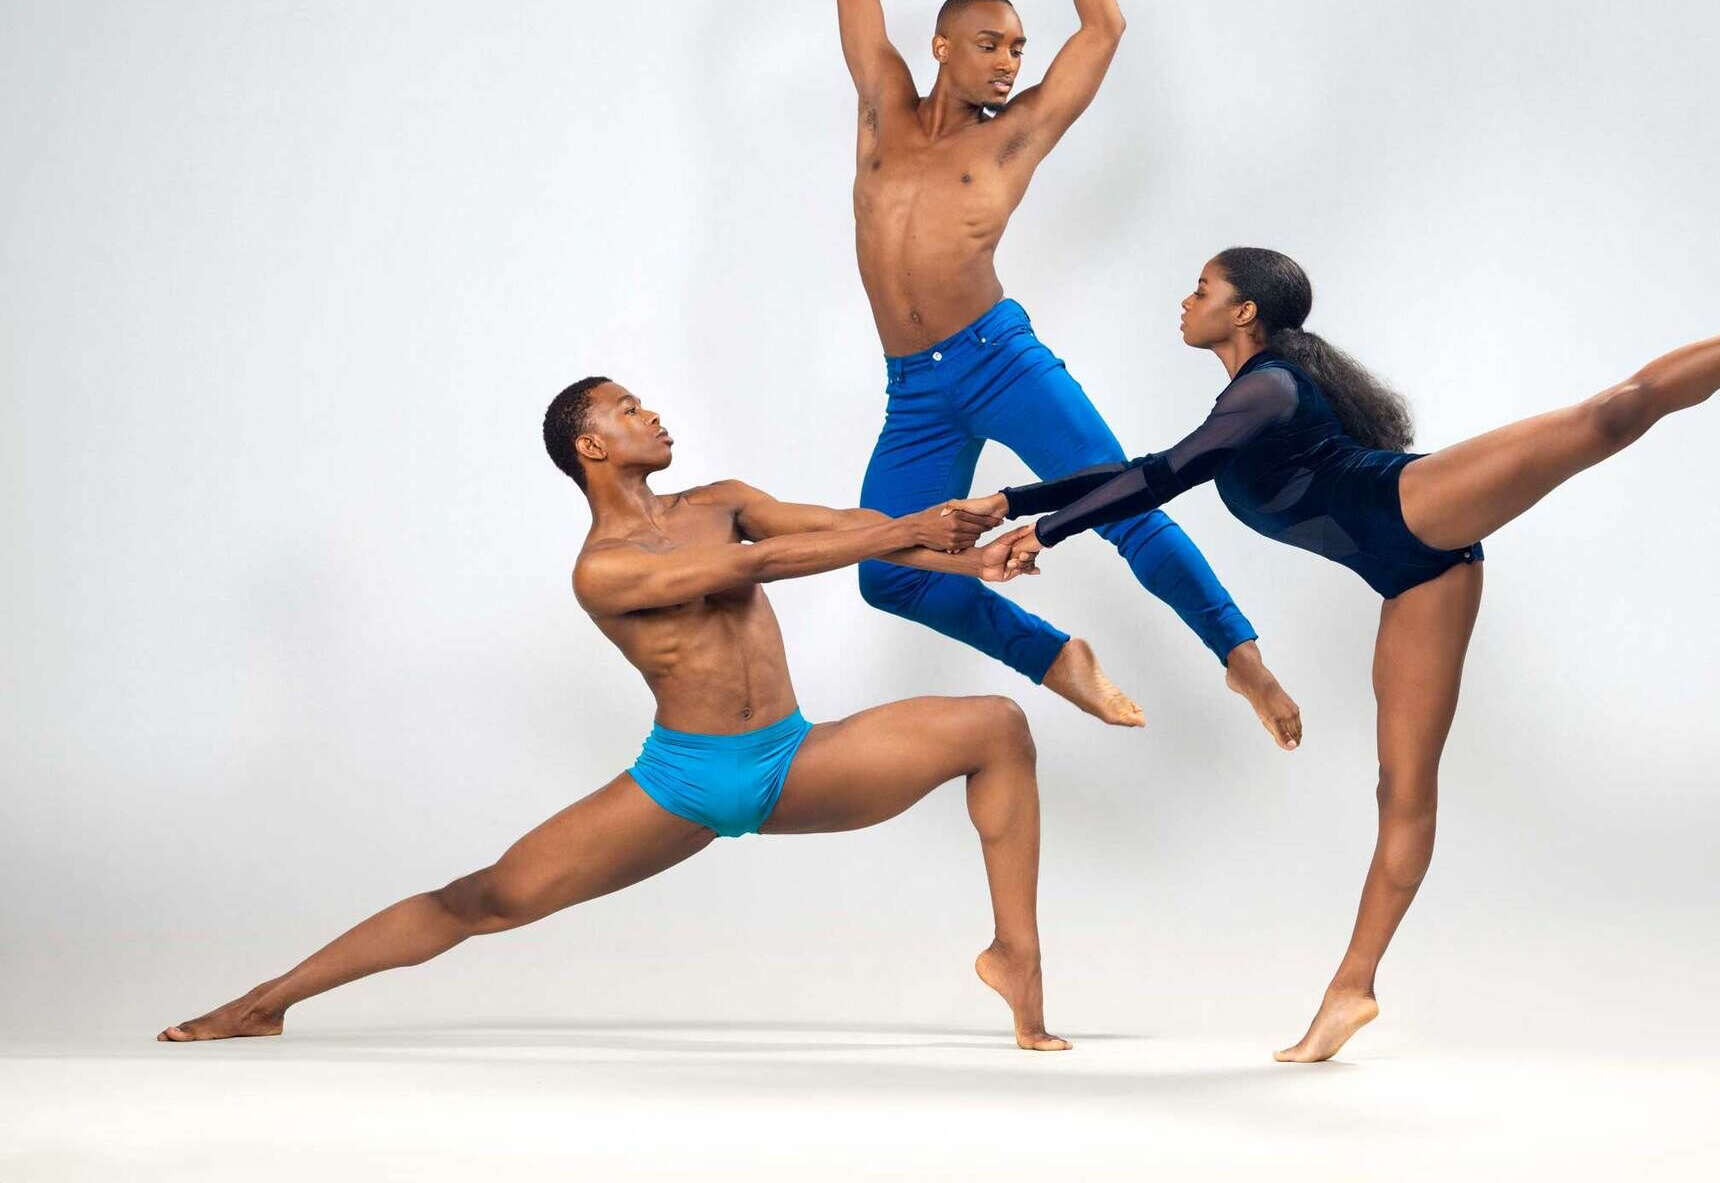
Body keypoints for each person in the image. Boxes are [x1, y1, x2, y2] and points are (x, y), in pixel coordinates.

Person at [961, 248, 1720, 1061]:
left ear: (1241, 310)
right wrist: (1018, 500)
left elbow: (1162, 476)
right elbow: (1148, 469)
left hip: (1416, 507)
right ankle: (1351, 989)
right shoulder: (1244, 401)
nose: (1185, 298)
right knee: (1401, 791)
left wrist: (1047, 534)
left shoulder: (1268, 388)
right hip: (1415, 579)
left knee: (1610, 415)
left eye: (1200, 285)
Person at [158, 376, 1071, 1052]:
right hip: (681, 779)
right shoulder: (603, 567)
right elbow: (751, 572)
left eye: (647, 404)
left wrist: (968, 560)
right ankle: (267, 999)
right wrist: (909, 533)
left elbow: (832, 522)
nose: (654, 414)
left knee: (996, 725)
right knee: (482, 900)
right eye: (629, 409)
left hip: (794, 761)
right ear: (591, 447)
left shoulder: (722, 502)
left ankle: (1013, 958)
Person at [833, 0, 1300, 743]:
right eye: (988, 44)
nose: (1009, 62)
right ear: (940, 47)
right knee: (887, 567)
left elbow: (1103, 32)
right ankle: (1055, 660)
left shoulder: (1013, 134)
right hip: (915, 392)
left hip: (999, 361)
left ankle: (1244, 660)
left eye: (1017, 47)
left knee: (1123, 500)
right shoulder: (881, 107)